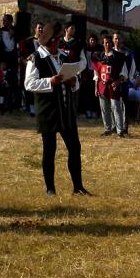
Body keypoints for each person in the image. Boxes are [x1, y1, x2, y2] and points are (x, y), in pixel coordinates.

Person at [23, 22, 89, 196]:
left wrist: (74, 82)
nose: (60, 42)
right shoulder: (36, 58)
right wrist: (50, 81)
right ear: (51, 40)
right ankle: (50, 189)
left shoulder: (63, 56)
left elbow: (74, 79)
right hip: (49, 111)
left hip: (66, 111)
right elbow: (29, 83)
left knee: (74, 147)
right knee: (49, 149)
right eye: (59, 38)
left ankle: (78, 187)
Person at [93, 35, 128, 136]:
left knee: (116, 108)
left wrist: (118, 81)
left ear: (112, 44)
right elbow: (96, 73)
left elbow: (124, 72)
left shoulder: (119, 57)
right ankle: (107, 129)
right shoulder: (99, 57)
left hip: (113, 85)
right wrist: (96, 86)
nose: (107, 44)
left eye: (109, 42)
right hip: (102, 85)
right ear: (103, 44)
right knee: (104, 108)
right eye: (105, 42)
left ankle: (120, 130)